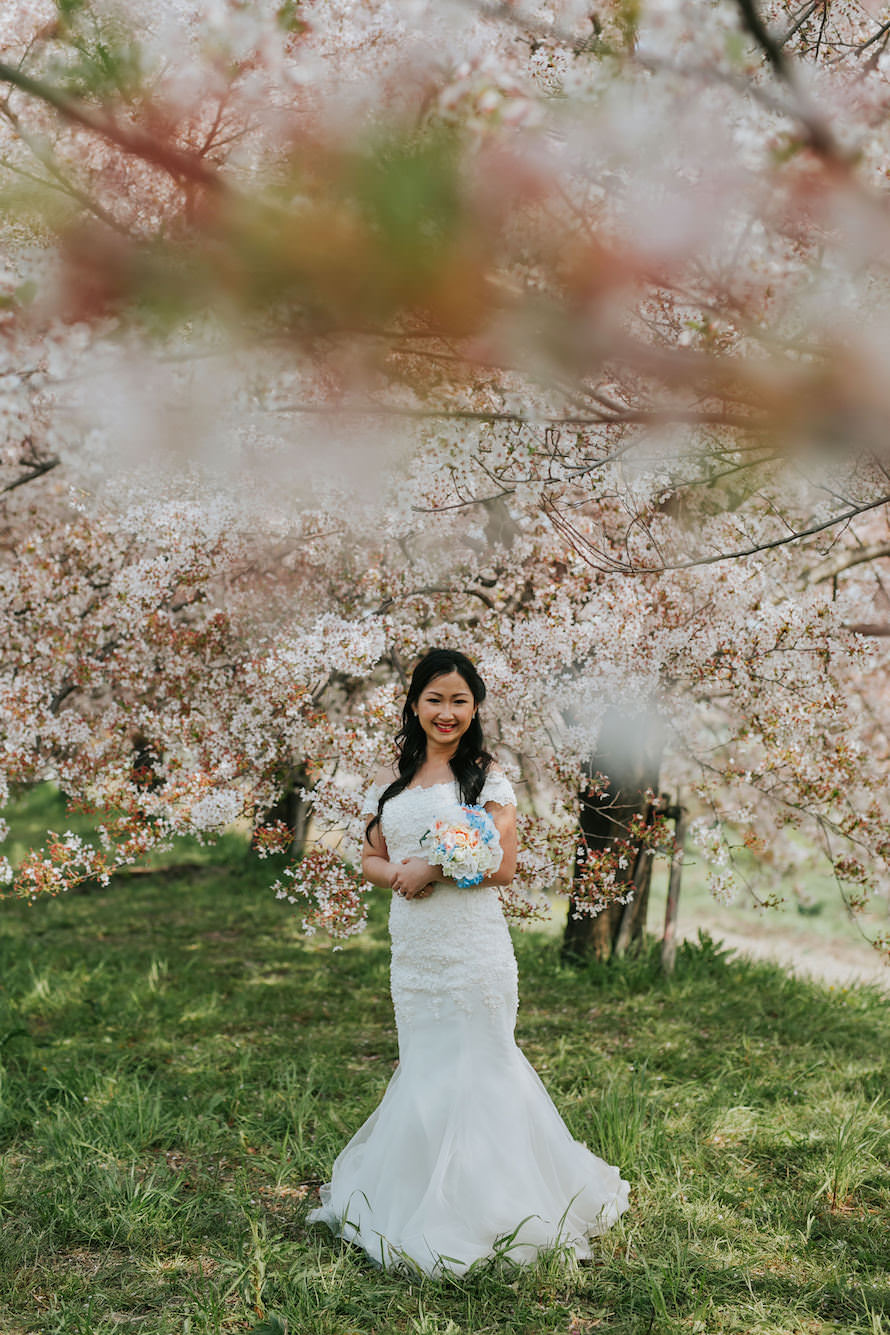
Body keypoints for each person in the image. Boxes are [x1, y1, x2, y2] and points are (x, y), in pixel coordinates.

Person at [309, 648, 629, 1275]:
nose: (446, 712)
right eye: (435, 699)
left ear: (475, 707)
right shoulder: (394, 782)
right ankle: (413, 1197)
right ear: (414, 704)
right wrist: (396, 873)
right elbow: (371, 857)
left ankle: (494, 1207)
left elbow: (504, 866)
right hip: (415, 949)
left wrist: (438, 867)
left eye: (459, 700)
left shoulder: (486, 780)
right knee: (426, 1065)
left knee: (482, 1064)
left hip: (473, 946)